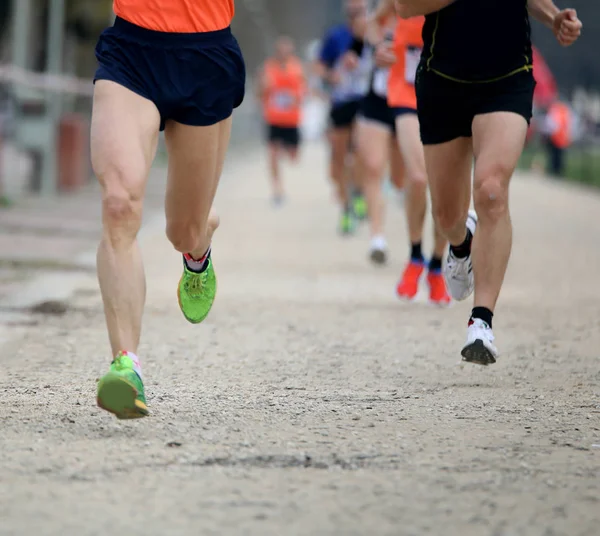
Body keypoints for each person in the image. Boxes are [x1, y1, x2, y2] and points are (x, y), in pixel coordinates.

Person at [394, 0, 582, 364]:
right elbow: (404, 7)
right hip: (443, 81)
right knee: (447, 218)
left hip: (507, 76)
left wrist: (554, 16)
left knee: (491, 189)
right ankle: (461, 244)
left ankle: (482, 320)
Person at [92, 0, 245, 418]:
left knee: (184, 231)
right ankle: (126, 365)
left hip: (206, 57)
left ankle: (200, 245)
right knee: (119, 205)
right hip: (132, 52)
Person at [367, 0, 450, 305]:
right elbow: (373, 24)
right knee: (417, 177)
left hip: (448, 94)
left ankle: (436, 265)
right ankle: (415, 256)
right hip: (406, 93)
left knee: (445, 188)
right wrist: (381, 48)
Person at [354, 18, 406, 264]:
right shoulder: (374, 19)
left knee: (400, 177)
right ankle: (377, 237)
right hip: (376, 101)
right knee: (374, 167)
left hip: (408, 101)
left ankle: (400, 189)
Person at [316, 0, 370, 234]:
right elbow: (318, 66)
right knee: (340, 157)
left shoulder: (374, 35)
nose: (355, 16)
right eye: (352, 12)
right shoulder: (335, 36)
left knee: (359, 150)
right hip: (341, 102)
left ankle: (359, 192)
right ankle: (347, 207)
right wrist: (330, 76)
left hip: (365, 101)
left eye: (360, 11)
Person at [258, 36, 306, 206]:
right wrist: (263, 87)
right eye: (280, 50)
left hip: (292, 119)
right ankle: (277, 190)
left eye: (287, 50)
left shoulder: (297, 67)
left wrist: (296, 97)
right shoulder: (268, 67)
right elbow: (260, 92)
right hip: (274, 118)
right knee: (272, 154)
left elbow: (302, 91)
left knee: (293, 157)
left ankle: (287, 149)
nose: (283, 53)